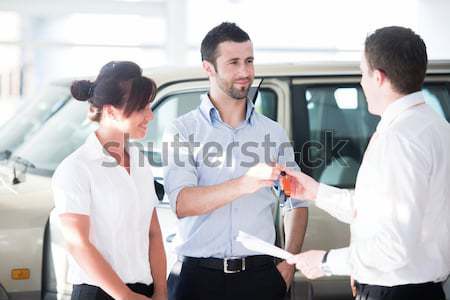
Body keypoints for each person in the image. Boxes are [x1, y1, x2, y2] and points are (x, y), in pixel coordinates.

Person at [285, 26, 450, 300]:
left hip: (396, 292)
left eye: (362, 72)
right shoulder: (437, 128)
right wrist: (315, 192)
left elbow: (394, 247)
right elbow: (376, 213)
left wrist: (326, 262)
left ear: (378, 77)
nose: (361, 82)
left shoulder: (400, 140)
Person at [163, 22, 308, 300]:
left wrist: (289, 263)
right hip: (197, 280)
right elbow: (182, 203)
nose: (245, 72)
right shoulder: (183, 130)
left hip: (261, 279)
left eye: (249, 61)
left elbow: (296, 201)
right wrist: (245, 183)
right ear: (208, 68)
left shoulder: (272, 132)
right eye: (234, 63)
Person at [52, 61, 168, 300]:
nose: (150, 115)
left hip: (144, 292)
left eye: (149, 106)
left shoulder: (140, 163)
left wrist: (161, 292)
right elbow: (78, 244)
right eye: (141, 108)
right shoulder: (76, 168)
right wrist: (124, 295)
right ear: (111, 110)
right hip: (100, 293)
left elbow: (153, 233)